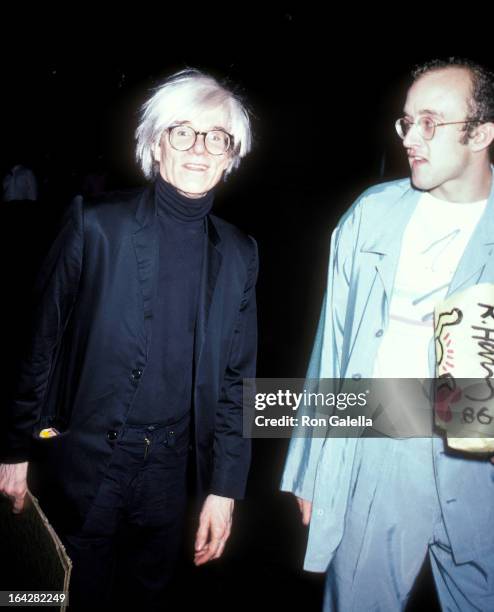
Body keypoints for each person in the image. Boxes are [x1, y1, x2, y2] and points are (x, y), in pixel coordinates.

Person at [0, 69, 258, 610]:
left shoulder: (239, 252)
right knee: (54, 595)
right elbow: (40, 343)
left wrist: (225, 488)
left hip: (172, 473)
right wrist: (15, 449)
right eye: (182, 132)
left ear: (230, 154)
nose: (199, 148)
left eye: (216, 137)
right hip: (87, 457)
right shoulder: (96, 225)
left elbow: (238, 381)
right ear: (156, 143)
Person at [281, 58, 494, 611]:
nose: (410, 138)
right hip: (380, 449)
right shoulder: (371, 216)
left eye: (431, 122)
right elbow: (332, 345)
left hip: (483, 465)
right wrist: (312, 465)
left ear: (483, 132)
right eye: (406, 122)